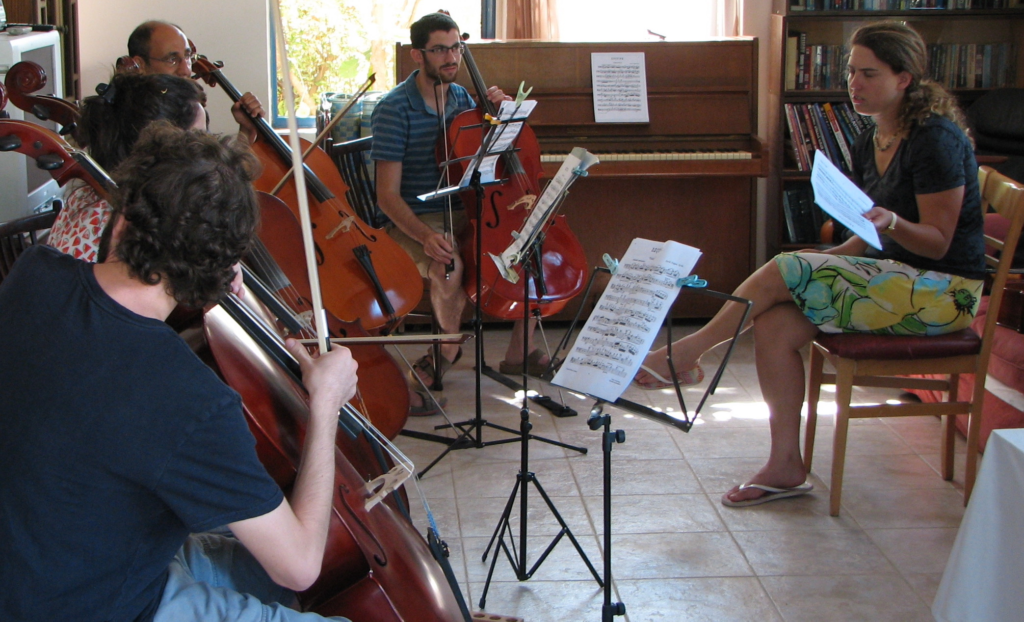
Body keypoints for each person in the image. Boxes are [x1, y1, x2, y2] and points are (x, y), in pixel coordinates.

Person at [0, 124, 356, 622]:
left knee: (244, 554)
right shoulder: (191, 399)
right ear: (221, 270)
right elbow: (299, 566)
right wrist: (325, 404)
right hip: (94, 606)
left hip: (39, 561)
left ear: (123, 213)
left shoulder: (33, 274)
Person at [633, 21, 986, 508]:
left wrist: (894, 223)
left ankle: (686, 353)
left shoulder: (935, 140)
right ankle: (785, 464)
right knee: (777, 323)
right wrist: (829, 257)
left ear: (904, 79)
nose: (854, 84)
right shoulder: (870, 138)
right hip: (893, 278)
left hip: (944, 293)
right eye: (851, 71)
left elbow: (938, 244)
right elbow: (868, 236)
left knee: (784, 267)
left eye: (869, 74)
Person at [371, 12, 549, 397]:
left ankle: (520, 350)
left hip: (467, 209)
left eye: (456, 48)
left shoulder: (463, 98)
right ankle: (446, 351)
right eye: (439, 50)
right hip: (414, 218)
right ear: (417, 55)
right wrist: (425, 236)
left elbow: (485, 160)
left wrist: (501, 118)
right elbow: (387, 196)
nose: (451, 58)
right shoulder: (393, 109)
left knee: (531, 242)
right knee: (448, 265)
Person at [49, 72, 208, 262]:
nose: (206, 152)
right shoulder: (131, 226)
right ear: (157, 147)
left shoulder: (92, 195)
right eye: (198, 139)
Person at [126, 20, 264, 144]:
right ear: (140, 64)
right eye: (172, 59)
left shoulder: (191, 108)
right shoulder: (129, 118)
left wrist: (246, 131)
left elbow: (208, 163)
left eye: (187, 56)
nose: (186, 70)